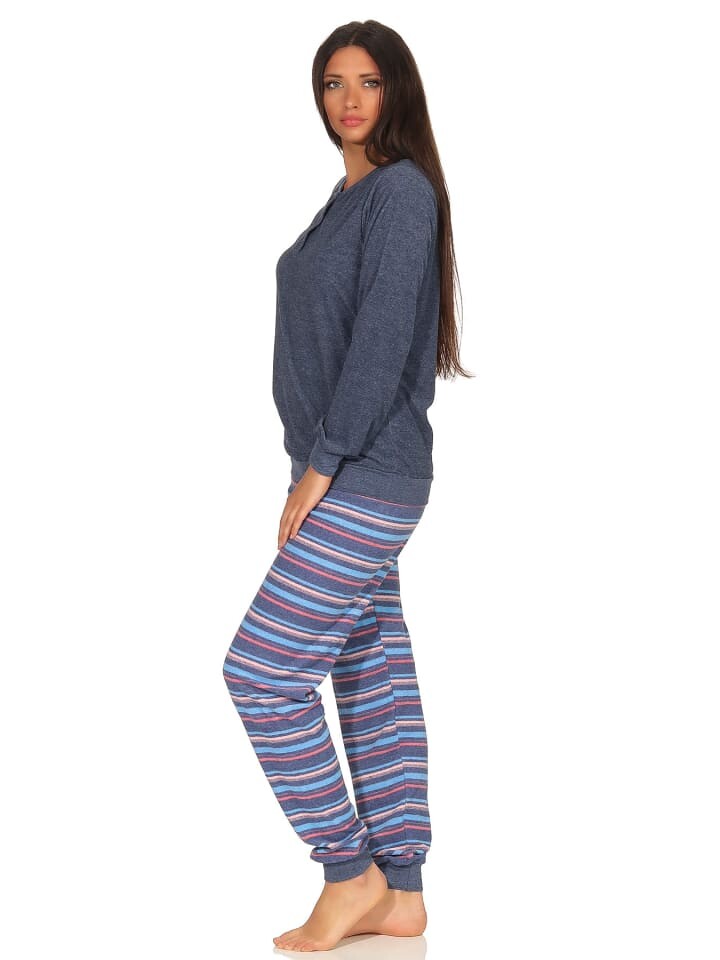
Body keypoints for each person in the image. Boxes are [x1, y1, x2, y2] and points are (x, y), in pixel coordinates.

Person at [222, 19, 471, 952]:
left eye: (370, 80)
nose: (351, 99)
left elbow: (376, 347)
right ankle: (400, 891)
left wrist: (322, 467)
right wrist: (310, 466)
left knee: (262, 670)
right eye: (334, 82)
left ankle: (347, 868)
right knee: (370, 667)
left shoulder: (401, 194)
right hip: (340, 468)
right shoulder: (347, 196)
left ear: (397, 90)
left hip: (365, 470)